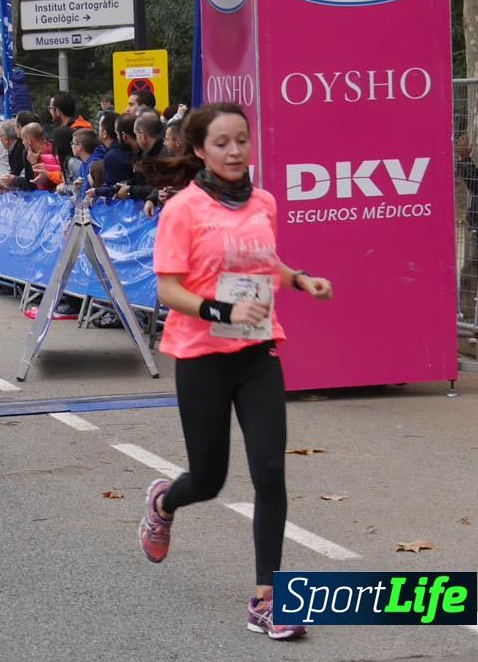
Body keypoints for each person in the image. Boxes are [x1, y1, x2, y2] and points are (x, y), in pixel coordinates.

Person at [137, 102, 333, 640]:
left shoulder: (264, 201)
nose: (234, 151)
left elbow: (263, 262)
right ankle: (164, 501)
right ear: (199, 150)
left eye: (242, 140)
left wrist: (300, 280)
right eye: (221, 142)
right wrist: (220, 311)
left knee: (270, 471)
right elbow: (168, 288)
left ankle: (267, 599)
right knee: (209, 479)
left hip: (257, 352)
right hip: (200, 357)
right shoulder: (184, 209)